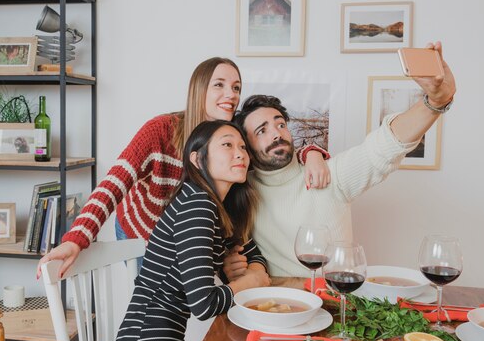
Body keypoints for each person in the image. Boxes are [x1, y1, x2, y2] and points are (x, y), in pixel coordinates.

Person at [37, 57, 330, 278]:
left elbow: (270, 150)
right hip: (142, 231)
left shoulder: (231, 137)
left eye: (236, 87)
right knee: (159, 310)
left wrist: (312, 153)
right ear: (199, 89)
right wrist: (76, 238)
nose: (231, 94)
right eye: (219, 85)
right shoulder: (160, 130)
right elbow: (113, 184)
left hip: (187, 233)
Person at [227, 42, 456, 285]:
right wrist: (230, 264)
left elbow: (381, 149)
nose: (276, 134)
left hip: (336, 300)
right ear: (246, 146)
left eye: (280, 124)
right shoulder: (242, 190)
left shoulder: (327, 174)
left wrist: (435, 102)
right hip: (273, 303)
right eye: (262, 131)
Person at [110, 120, 271, 341]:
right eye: (227, 145)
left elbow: (255, 256)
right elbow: (205, 304)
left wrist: (255, 273)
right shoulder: (197, 205)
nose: (240, 153)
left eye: (242, 146)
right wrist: (249, 282)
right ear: (197, 160)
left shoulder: (217, 206)